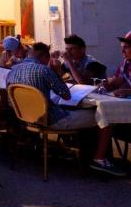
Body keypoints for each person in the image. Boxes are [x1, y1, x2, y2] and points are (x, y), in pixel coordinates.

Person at [8, 42, 121, 176]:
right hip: (52, 119)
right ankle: (99, 159)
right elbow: (66, 95)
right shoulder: (44, 70)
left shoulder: (13, 70)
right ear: (44, 57)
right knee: (103, 115)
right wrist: (56, 73)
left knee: (76, 111)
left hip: (27, 118)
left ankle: (75, 153)